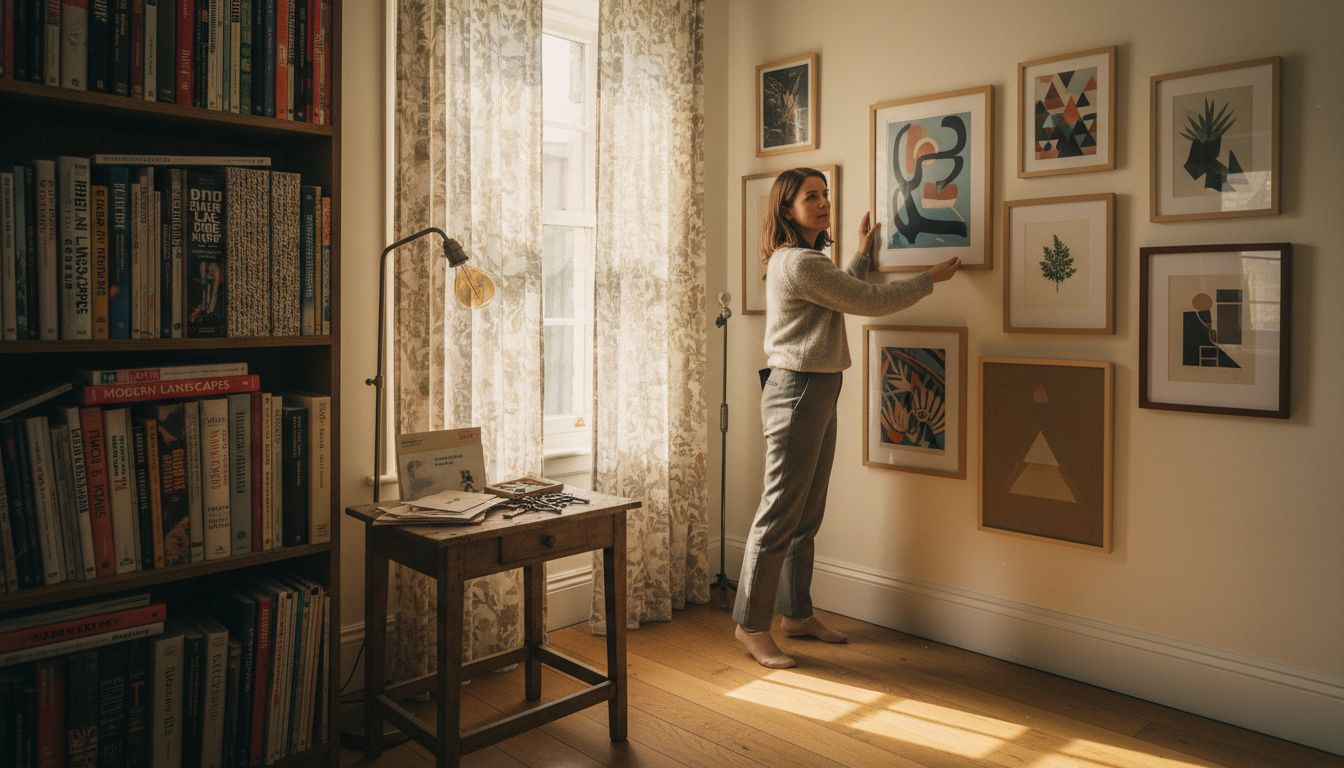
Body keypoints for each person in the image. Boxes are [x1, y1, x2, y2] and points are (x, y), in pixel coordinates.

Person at [733, 167, 960, 669]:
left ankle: (795, 614)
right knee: (780, 511)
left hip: (818, 385)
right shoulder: (796, 262)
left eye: (825, 194)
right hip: (798, 390)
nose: (822, 202)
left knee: (806, 510)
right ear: (786, 209)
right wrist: (929, 280)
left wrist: (859, 256)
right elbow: (867, 301)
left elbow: (841, 291)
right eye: (810, 196)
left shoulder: (811, 263)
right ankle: (751, 625)